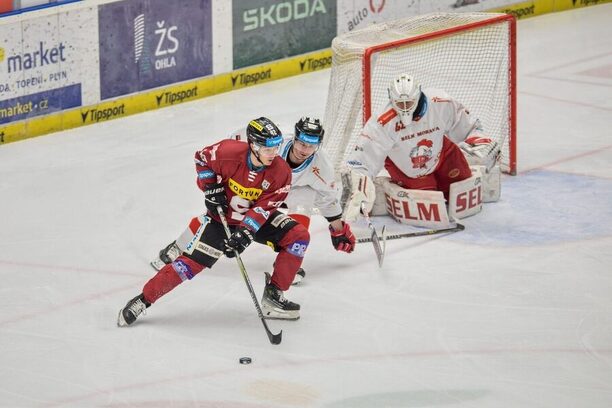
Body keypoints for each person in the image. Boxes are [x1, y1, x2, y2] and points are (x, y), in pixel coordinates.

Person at [117, 117, 310, 326]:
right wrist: (210, 188)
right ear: (253, 145)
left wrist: (245, 233)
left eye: (276, 147)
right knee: (187, 266)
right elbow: (201, 158)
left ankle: (274, 295)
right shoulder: (228, 151)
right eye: (267, 148)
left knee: (298, 237)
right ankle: (143, 300)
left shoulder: (281, 172)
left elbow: (264, 208)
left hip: (256, 220)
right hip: (221, 219)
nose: (273, 153)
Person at [151, 117, 356, 286]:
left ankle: (288, 263)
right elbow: (230, 147)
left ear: (318, 146)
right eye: (302, 143)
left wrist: (338, 230)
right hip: (253, 185)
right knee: (223, 216)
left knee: (304, 203)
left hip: (285, 192)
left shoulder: (323, 168)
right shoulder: (274, 142)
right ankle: (177, 247)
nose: (304, 150)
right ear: (294, 138)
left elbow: (327, 200)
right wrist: (218, 182)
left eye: (311, 146)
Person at [344, 73, 500, 223]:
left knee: (462, 190)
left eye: (409, 103)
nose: (405, 109)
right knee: (429, 205)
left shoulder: (440, 103)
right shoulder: (382, 122)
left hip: (441, 153)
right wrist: (359, 186)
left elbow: (469, 125)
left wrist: (478, 139)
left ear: (418, 95)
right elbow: (362, 160)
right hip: (406, 166)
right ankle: (382, 189)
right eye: (400, 104)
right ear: (391, 99)